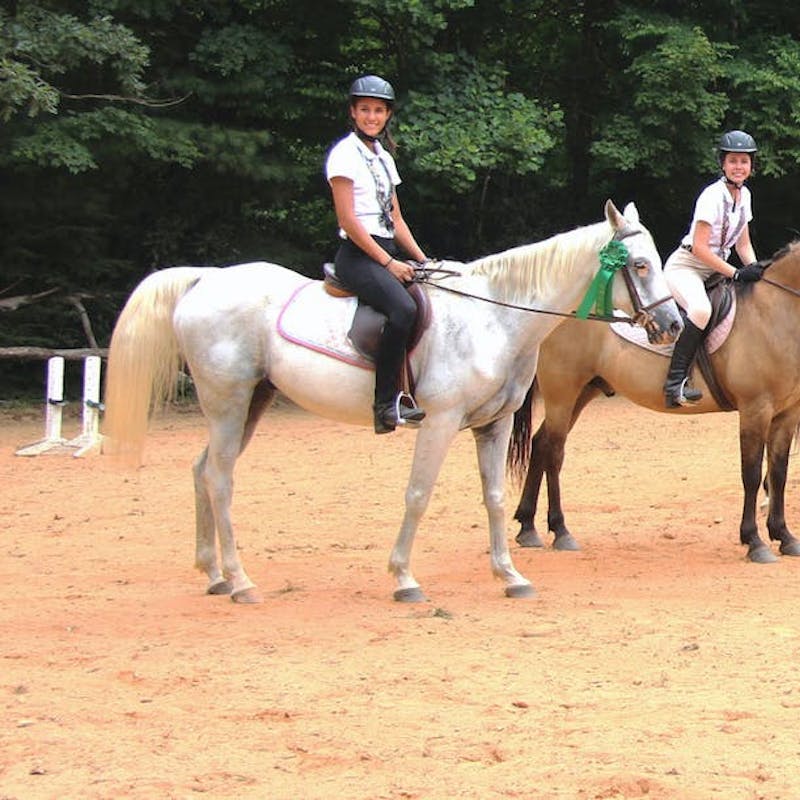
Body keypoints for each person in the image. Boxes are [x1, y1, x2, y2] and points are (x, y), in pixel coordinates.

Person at [325, 74, 429, 434]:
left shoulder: (383, 157)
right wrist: (388, 263)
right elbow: (348, 220)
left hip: (385, 250)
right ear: (353, 112)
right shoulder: (344, 154)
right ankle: (386, 405)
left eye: (379, 111)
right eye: (365, 109)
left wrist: (423, 260)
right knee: (403, 309)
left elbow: (395, 219)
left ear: (387, 115)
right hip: (357, 255)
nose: (372, 117)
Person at [663, 129, 763, 408]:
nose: (739, 166)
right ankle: (674, 383)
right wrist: (736, 273)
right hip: (687, 267)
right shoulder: (711, 196)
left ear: (751, 165)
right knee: (701, 310)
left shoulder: (745, 196)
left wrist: (755, 270)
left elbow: (743, 244)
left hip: (715, 271)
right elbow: (699, 248)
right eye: (733, 161)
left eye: (744, 161)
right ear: (723, 164)